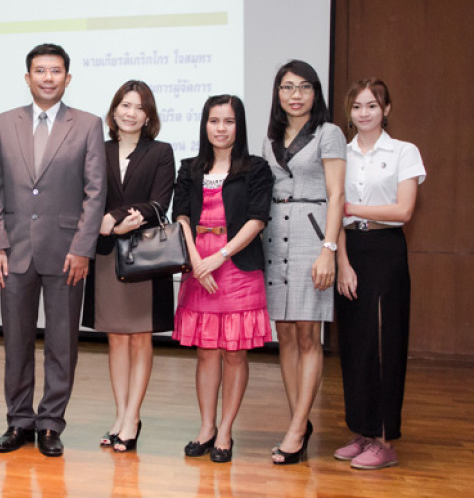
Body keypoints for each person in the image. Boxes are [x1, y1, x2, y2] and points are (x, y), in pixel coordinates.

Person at [0, 43, 106, 457]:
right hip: (14, 252)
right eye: (40, 70)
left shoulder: (88, 124)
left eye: (56, 71)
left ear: (67, 78)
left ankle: (51, 423)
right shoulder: (4, 123)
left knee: (61, 343)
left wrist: (83, 247)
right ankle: (18, 421)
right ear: (27, 77)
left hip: (67, 253)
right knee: (15, 342)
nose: (48, 77)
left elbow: (95, 192)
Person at [172, 95, 273, 463]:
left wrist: (219, 256)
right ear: (205, 125)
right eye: (214, 121)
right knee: (206, 354)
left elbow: (257, 219)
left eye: (228, 121)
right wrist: (197, 259)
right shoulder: (189, 168)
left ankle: (226, 430)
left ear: (239, 126)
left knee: (234, 354)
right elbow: (180, 216)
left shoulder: (257, 168)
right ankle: (206, 427)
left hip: (237, 267)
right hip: (199, 268)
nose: (220, 128)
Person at [334, 78, 425, 470]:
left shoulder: (404, 151)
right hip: (350, 249)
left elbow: (403, 211)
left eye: (373, 105)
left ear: (386, 110)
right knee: (355, 345)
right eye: (357, 106)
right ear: (349, 112)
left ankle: (385, 440)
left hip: (386, 250)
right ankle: (363, 430)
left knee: (385, 343)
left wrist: (352, 208)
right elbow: (332, 212)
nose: (365, 113)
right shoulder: (342, 153)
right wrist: (341, 262)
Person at [81, 80, 174, 453]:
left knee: (140, 337)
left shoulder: (161, 152)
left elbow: (158, 204)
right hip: (106, 256)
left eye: (138, 107)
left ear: (147, 115)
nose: (130, 112)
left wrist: (114, 220)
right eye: (124, 104)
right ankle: (120, 415)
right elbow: (86, 196)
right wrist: (108, 224)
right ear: (114, 110)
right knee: (116, 338)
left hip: (144, 258)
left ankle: (133, 418)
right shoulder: (97, 150)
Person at [262, 60, 346, 464]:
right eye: (287, 87)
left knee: (309, 335)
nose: (295, 95)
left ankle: (296, 429)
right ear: (277, 94)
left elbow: (337, 195)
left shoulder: (329, 134)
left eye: (304, 87)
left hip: (312, 237)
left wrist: (328, 249)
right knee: (287, 335)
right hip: (274, 239)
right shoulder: (270, 136)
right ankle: (300, 418)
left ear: (316, 93)